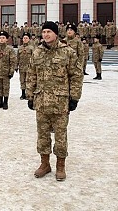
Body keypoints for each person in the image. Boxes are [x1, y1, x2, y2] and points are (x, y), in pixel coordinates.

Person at [26, 21, 83, 181]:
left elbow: (76, 76)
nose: (46, 35)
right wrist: (30, 96)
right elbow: (31, 75)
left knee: (60, 136)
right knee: (42, 135)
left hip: (60, 103)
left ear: (56, 34)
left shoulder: (68, 53)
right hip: (41, 102)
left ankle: (60, 166)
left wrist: (74, 98)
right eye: (44, 32)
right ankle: (45, 164)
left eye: (49, 32)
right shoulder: (37, 53)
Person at [0, 30, 17, 110]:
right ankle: (0, 102)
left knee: (6, 87)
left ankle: (5, 102)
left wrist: (11, 72)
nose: (1, 39)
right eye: (0, 38)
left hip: (6, 72)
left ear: (7, 39)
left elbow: (12, 61)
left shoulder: (10, 49)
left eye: (3, 38)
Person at [17, 32, 35, 100]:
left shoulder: (31, 48)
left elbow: (34, 58)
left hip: (29, 67)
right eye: (24, 38)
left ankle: (29, 94)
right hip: (21, 67)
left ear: (29, 39)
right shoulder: (20, 48)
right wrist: (16, 66)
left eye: (26, 38)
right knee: (22, 81)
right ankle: (23, 94)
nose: (25, 39)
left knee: (29, 81)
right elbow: (17, 57)